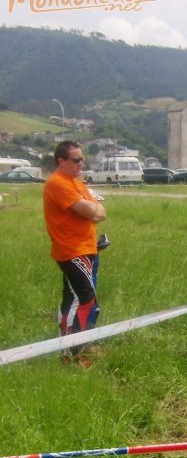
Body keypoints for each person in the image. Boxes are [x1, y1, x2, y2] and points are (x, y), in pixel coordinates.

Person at [43, 141, 107, 366]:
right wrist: (91, 209)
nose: (81, 163)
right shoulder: (58, 183)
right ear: (61, 161)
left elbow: (100, 212)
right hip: (72, 250)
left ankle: (69, 350)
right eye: (76, 160)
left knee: (72, 298)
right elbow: (90, 209)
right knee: (84, 299)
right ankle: (72, 352)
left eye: (82, 159)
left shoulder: (76, 183)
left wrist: (92, 209)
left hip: (86, 248)